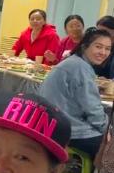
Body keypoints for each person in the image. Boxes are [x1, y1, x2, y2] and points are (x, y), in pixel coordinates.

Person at [39, 28, 111, 157]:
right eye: (98, 47)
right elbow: (93, 111)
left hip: (51, 124)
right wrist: (108, 130)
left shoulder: (73, 62)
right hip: (67, 131)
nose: (103, 52)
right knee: (110, 147)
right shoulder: (80, 68)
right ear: (84, 46)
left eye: (107, 49)